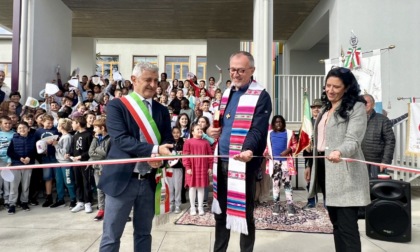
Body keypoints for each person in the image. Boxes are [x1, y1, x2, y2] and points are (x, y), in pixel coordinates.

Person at [98, 62, 173, 252]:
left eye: (156, 80)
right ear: (133, 79)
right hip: (122, 180)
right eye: (148, 80)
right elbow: (121, 140)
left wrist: (160, 157)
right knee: (111, 236)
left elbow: (168, 140)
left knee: (143, 234)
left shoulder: (162, 110)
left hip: (149, 181)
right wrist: (154, 150)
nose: (153, 85)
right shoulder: (117, 106)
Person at [207, 51, 272, 252]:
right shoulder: (227, 93)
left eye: (241, 70)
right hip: (222, 160)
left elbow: (258, 129)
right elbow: (220, 124)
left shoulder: (260, 95)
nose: (235, 74)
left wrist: (249, 149)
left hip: (243, 162)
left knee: (244, 213)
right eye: (232, 69)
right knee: (221, 213)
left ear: (251, 70)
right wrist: (211, 131)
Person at [308, 67, 370, 252]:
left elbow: (353, 140)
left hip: (344, 172)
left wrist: (339, 152)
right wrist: (311, 164)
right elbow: (319, 142)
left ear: (347, 87)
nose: (331, 90)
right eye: (328, 86)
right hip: (325, 170)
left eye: (336, 86)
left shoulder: (356, 107)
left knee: (347, 227)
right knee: (335, 224)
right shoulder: (325, 108)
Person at [265, 115, 297, 216]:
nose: (278, 124)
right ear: (273, 124)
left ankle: (290, 205)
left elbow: (296, 145)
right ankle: (276, 204)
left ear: (283, 123)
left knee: (287, 184)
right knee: (275, 184)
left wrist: (288, 150)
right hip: (274, 163)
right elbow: (266, 147)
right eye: (276, 122)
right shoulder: (269, 134)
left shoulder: (289, 133)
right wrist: (265, 154)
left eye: (280, 122)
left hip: (285, 163)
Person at [361, 94, 396, 179]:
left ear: (373, 104)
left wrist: (385, 161)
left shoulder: (382, 120)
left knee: (376, 188)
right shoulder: (355, 120)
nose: (364, 105)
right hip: (358, 162)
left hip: (376, 163)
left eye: (367, 102)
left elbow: (390, 141)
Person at [183, 123, 213, 216]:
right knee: (192, 188)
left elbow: (210, 156)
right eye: (197, 129)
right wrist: (187, 167)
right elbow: (185, 155)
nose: (200, 130)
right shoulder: (188, 142)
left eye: (201, 129)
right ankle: (192, 207)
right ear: (192, 132)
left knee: (201, 187)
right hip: (192, 168)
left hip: (203, 167)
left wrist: (210, 167)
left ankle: (200, 207)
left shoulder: (206, 142)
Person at [7, 121, 37, 214]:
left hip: (28, 165)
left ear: (28, 129)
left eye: (24, 127)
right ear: (17, 130)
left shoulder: (33, 138)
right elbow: (10, 152)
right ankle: (12, 204)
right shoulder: (14, 138)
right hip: (16, 164)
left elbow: (35, 151)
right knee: (14, 186)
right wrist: (19, 158)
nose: (22, 129)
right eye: (19, 128)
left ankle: (24, 202)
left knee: (25, 185)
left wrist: (29, 157)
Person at [88, 118, 111, 221]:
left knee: (109, 190)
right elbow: (90, 153)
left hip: (107, 168)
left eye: (95, 127)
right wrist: (95, 140)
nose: (94, 129)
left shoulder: (110, 139)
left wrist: (97, 150)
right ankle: (101, 209)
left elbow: (106, 153)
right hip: (97, 167)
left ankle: (111, 210)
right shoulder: (95, 138)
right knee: (99, 189)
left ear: (102, 128)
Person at [302, 98, 323, 210]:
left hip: (323, 155)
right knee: (310, 179)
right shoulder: (307, 123)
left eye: (318, 107)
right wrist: (306, 146)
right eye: (314, 107)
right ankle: (311, 202)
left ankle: (327, 203)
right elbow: (302, 142)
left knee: (325, 180)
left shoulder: (325, 121)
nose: (316, 109)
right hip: (310, 157)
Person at [51, 118, 77, 208]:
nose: (57, 127)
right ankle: (60, 199)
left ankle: (73, 199)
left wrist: (56, 144)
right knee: (59, 181)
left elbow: (65, 152)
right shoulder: (63, 136)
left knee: (68, 181)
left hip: (66, 162)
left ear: (61, 127)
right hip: (59, 162)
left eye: (58, 125)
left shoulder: (67, 137)